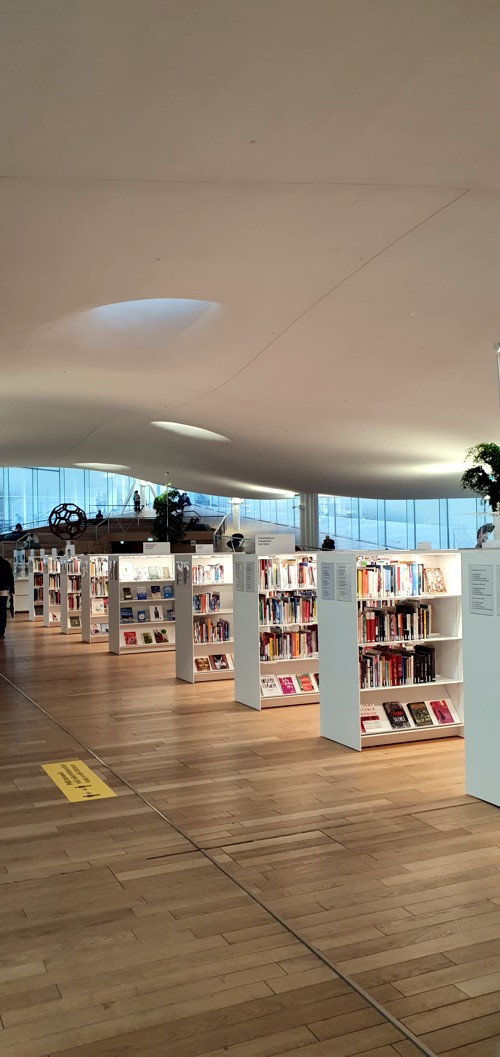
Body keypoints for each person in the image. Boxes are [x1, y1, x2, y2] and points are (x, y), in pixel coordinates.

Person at [0, 555, 14, 640]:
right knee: (2, 612)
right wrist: (12, 591)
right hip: (3, 591)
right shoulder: (6, 564)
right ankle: (1, 632)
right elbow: (10, 578)